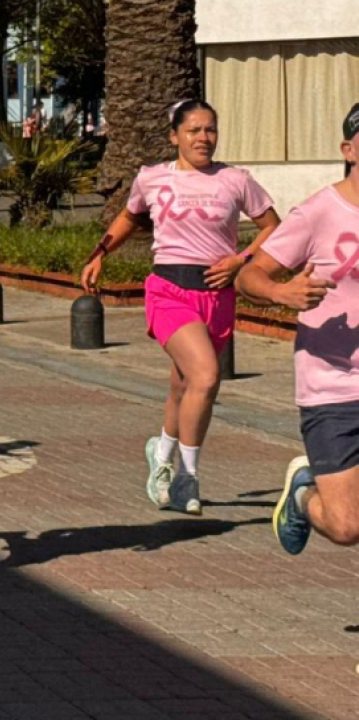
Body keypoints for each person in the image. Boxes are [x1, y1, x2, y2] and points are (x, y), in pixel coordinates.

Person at [80, 100, 280, 515]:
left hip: (217, 294)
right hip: (169, 291)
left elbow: (273, 227)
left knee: (184, 386)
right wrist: (100, 253)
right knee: (205, 376)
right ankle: (188, 476)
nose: (203, 138)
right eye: (193, 130)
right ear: (174, 136)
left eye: (210, 129)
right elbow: (129, 218)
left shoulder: (236, 180)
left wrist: (240, 260)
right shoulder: (152, 177)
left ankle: (161, 454)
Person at [236, 104, 359, 556]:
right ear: (348, 149)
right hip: (332, 385)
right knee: (346, 527)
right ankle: (303, 494)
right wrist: (281, 292)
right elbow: (248, 276)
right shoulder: (317, 212)